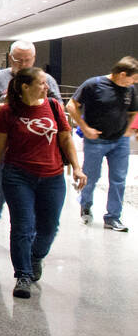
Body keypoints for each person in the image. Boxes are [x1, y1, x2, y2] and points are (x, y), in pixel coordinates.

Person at [0, 67, 84, 299]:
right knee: (23, 226)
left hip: (52, 176)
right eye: (41, 83)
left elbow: (65, 137)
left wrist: (77, 167)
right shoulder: (9, 111)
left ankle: (35, 256)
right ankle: (23, 275)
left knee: (49, 227)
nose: (46, 86)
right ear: (25, 87)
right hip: (18, 176)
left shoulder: (53, 106)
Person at [0, 40, 63, 242]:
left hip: (37, 154)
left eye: (27, 60)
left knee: (30, 204)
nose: (22, 63)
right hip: (4, 150)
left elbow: (58, 110)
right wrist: (7, 107)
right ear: (10, 58)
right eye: (18, 59)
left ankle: (30, 240)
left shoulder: (46, 80)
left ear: (34, 59)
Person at [67, 55, 138, 231]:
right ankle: (85, 203)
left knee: (118, 179)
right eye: (133, 78)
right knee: (91, 177)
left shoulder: (130, 90)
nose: (134, 82)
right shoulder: (93, 84)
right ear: (122, 74)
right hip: (96, 140)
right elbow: (71, 105)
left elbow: (133, 111)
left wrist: (129, 128)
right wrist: (84, 127)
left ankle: (113, 217)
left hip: (120, 141)